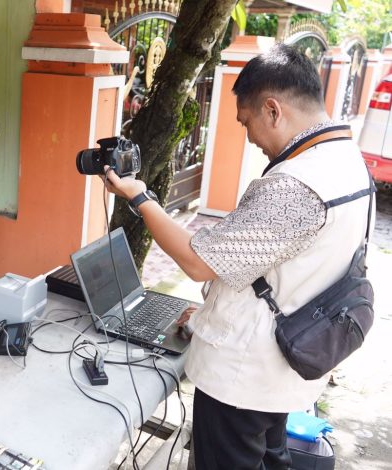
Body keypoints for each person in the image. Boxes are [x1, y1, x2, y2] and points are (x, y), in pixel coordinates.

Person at [104, 44, 372, 469]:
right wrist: (211, 313)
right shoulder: (347, 161)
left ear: (272, 110)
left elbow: (198, 262)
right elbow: (289, 268)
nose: (248, 137)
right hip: (285, 363)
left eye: (246, 122)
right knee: (269, 458)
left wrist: (141, 198)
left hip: (244, 378)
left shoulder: (298, 184)